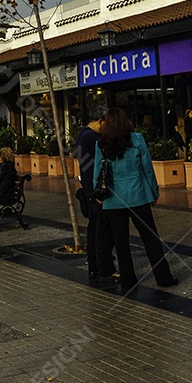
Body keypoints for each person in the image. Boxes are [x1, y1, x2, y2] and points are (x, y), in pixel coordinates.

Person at [93, 108, 178, 295]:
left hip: (114, 199)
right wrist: (154, 191)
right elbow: (147, 167)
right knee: (151, 238)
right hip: (138, 195)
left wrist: (98, 194)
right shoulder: (137, 139)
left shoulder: (102, 143)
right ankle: (163, 277)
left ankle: (128, 279)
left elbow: (97, 172)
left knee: (121, 242)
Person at [74, 108, 117, 284]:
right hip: (96, 191)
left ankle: (95, 266)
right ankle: (104, 267)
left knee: (94, 230)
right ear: (100, 121)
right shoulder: (92, 138)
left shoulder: (82, 134)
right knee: (102, 231)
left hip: (88, 189)